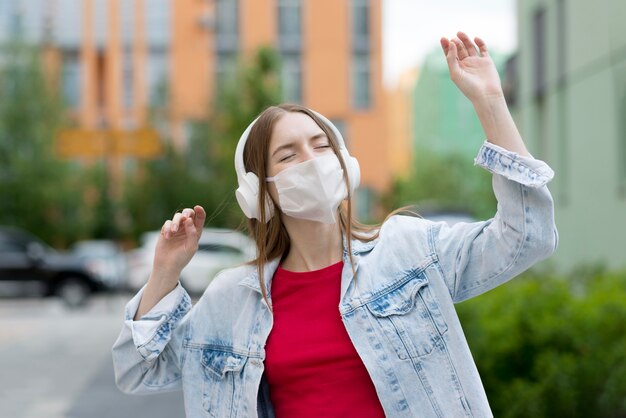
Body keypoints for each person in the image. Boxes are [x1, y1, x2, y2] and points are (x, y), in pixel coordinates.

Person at [113, 32, 558, 417]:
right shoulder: (231, 300)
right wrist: (165, 273)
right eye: (288, 155)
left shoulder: (408, 252)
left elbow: (527, 235)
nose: (311, 160)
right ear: (257, 193)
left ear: (346, 164)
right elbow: (139, 370)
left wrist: (490, 102)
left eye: (321, 146)